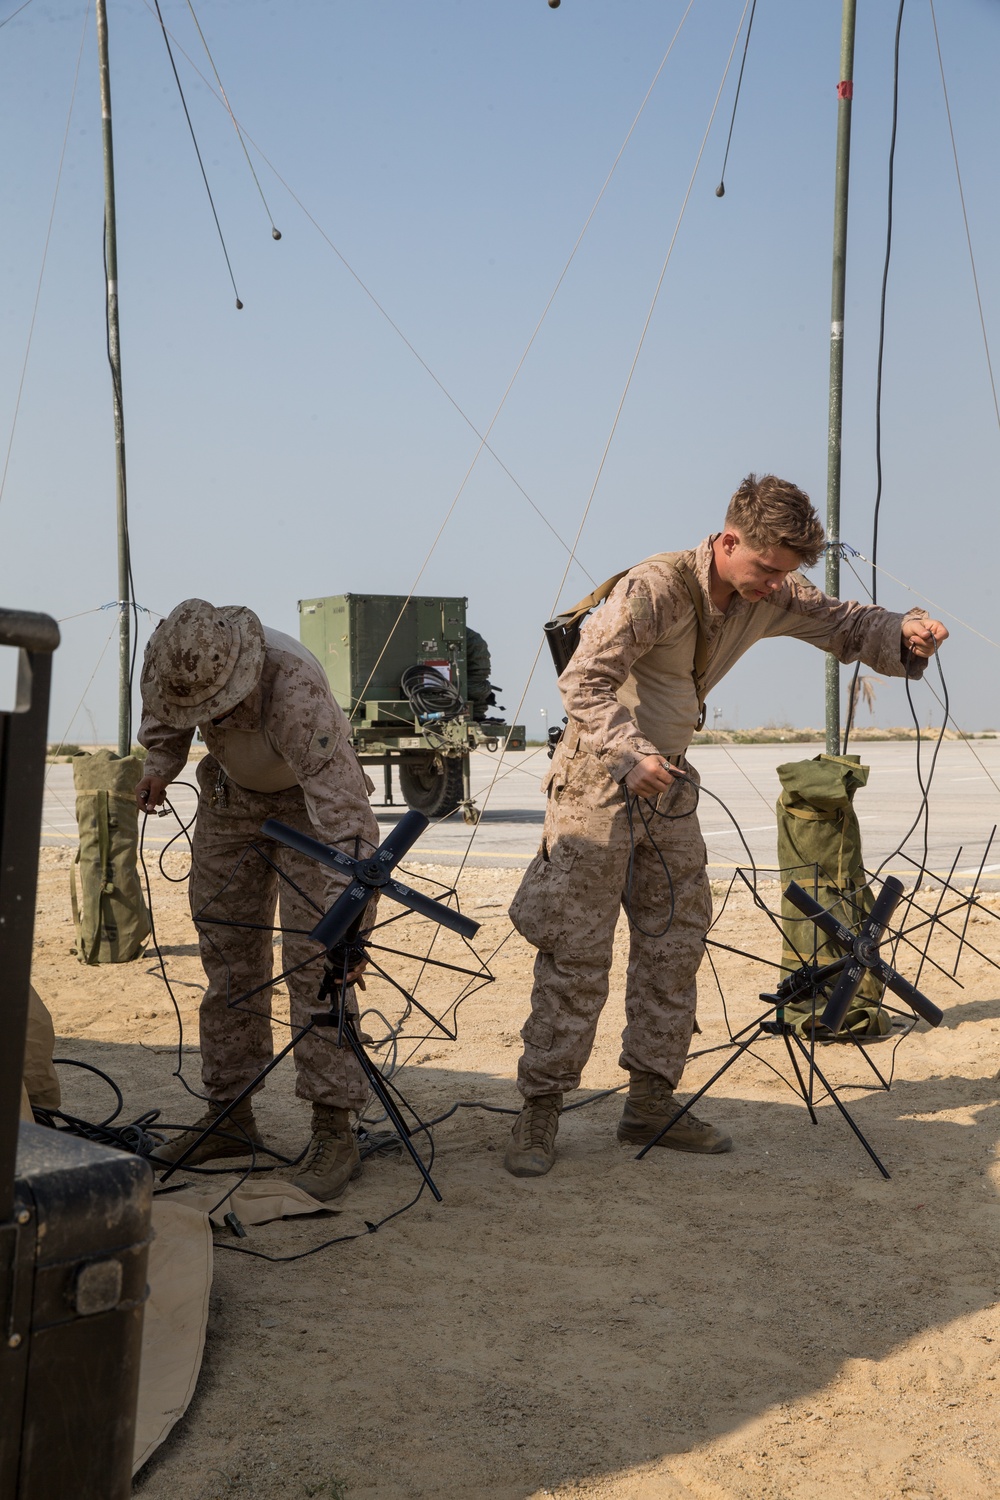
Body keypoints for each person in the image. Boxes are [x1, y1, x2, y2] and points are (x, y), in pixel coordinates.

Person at [504, 474, 948, 1177]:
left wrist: (906, 633)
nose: (775, 585)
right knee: (578, 949)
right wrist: (629, 754)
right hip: (599, 779)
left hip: (671, 784)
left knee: (674, 942)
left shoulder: (771, 591)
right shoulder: (655, 589)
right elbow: (584, 679)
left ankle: (649, 1100)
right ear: (728, 538)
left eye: (786, 573)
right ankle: (540, 1110)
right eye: (766, 568)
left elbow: (846, 624)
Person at [136, 598, 381, 1201]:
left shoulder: (293, 691)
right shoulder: (175, 661)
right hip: (229, 800)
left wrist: (351, 926)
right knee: (227, 955)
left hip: (307, 805)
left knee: (318, 962)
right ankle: (230, 1116)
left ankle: (333, 1128)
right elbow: (168, 721)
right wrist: (160, 764)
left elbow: (346, 820)